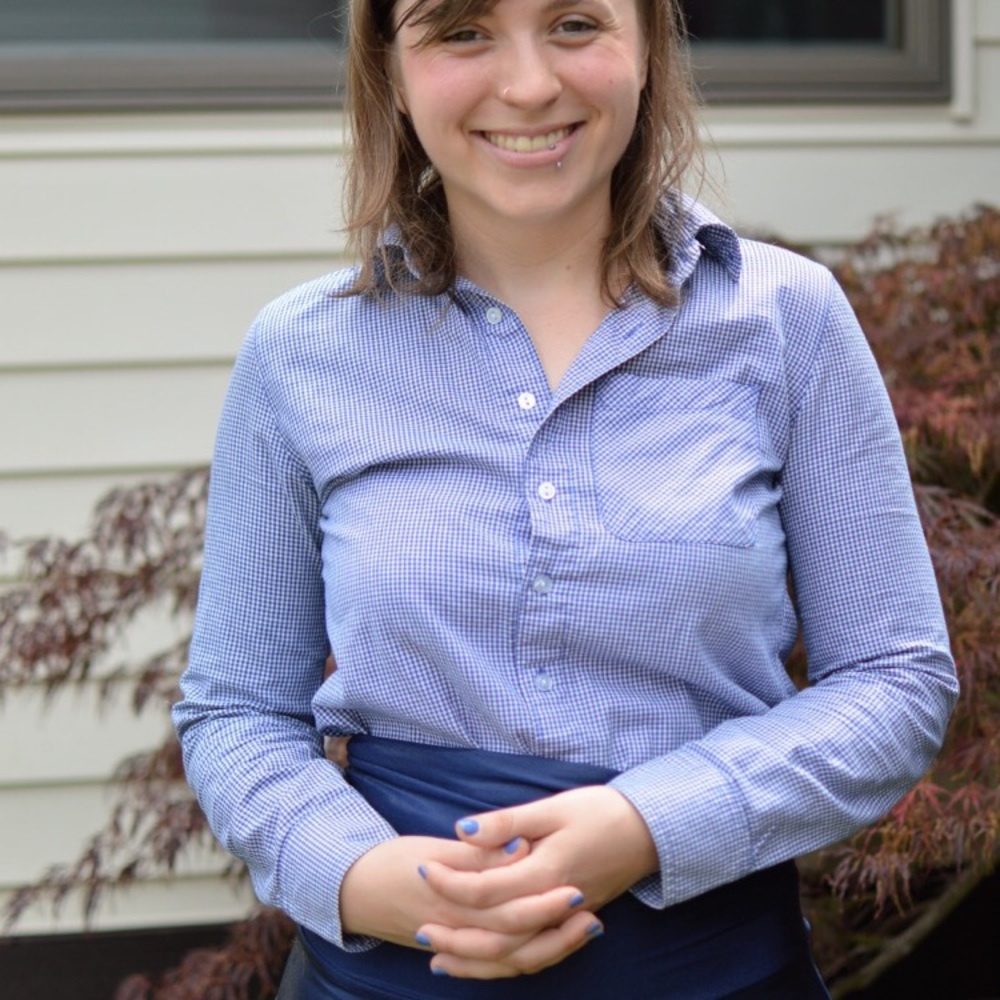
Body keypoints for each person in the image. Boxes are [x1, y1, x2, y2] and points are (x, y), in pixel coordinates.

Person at [172, 0, 959, 995]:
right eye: (462, 31)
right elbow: (235, 711)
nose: (530, 82)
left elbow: (895, 680)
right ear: (389, 64)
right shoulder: (299, 355)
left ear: (647, 45)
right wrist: (367, 878)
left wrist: (650, 825)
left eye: (576, 23)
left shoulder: (787, 322)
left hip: (709, 967)